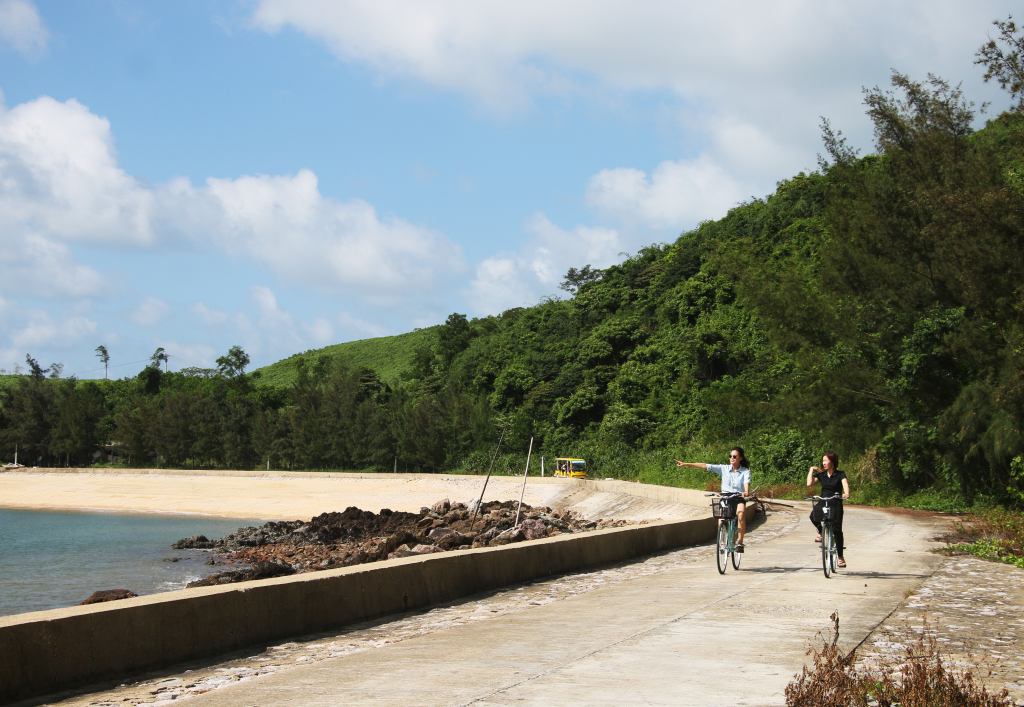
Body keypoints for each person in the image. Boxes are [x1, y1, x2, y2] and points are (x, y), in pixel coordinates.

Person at [675, 448, 751, 550]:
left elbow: (746, 482)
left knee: (741, 514)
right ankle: (722, 542)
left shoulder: (745, 471)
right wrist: (685, 464)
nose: (731, 458)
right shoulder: (724, 469)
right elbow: (706, 466)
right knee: (721, 516)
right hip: (726, 497)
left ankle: (740, 543)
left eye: (734, 456)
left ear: (740, 458)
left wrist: (746, 491)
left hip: (738, 497)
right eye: (730, 456)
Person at [806, 451, 850, 568]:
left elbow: (845, 484)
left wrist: (846, 493)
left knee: (837, 530)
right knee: (813, 516)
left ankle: (840, 557)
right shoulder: (822, 475)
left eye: (826, 460)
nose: (823, 463)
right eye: (823, 460)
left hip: (835, 503)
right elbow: (809, 483)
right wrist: (812, 469)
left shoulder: (840, 474)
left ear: (833, 462)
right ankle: (821, 531)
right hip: (823, 501)